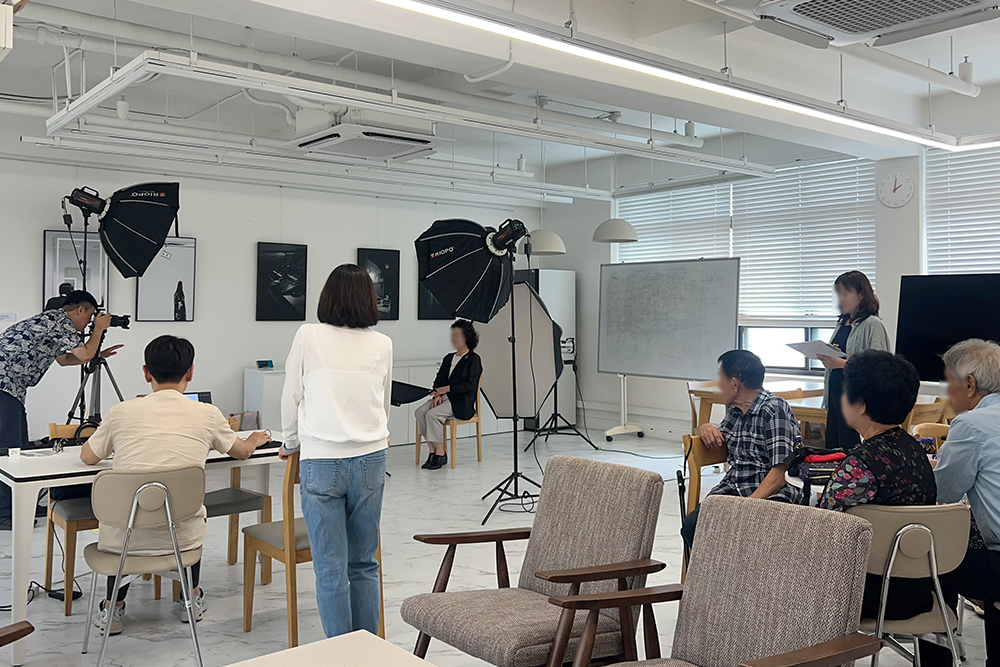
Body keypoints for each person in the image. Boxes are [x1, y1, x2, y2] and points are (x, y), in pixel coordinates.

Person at [80, 335, 270, 635]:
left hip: (121, 542)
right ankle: (190, 599)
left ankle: (113, 607)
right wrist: (254, 439)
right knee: (186, 509)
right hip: (182, 539)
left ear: (146, 373)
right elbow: (242, 452)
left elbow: (88, 457)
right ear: (190, 372)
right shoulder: (207, 414)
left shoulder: (120, 412)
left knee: (129, 518)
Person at [280, 263, 392, 638]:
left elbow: (291, 396)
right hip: (372, 456)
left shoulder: (308, 335)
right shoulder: (382, 343)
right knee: (364, 562)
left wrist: (289, 442)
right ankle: (368, 649)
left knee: (330, 568)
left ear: (327, 297)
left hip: (322, 459)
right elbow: (383, 401)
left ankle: (341, 654)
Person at [818, 350, 937, 621]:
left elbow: (824, 531)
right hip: (919, 587)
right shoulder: (914, 448)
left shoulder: (860, 464)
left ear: (860, 405)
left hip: (863, 594)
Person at [0, 291, 122, 527]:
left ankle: (20, 503)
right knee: (9, 449)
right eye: (89, 318)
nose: (88, 324)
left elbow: (65, 360)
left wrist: (97, 353)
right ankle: (5, 512)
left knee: (18, 447)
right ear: (80, 310)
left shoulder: (51, 323)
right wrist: (98, 331)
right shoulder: (60, 321)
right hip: (4, 385)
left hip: (10, 388)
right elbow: (84, 353)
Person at [920, 338, 1000, 667]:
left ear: (969, 385)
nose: (946, 392)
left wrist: (927, 469)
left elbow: (944, 492)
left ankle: (938, 660)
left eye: (948, 381)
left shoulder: (970, 425)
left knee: (933, 562)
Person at [681, 350, 801, 549]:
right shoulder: (736, 412)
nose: (719, 385)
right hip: (736, 486)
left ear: (735, 384)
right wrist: (705, 427)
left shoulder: (773, 409)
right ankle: (718, 567)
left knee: (746, 534)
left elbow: (781, 472)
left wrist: (746, 507)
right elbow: (719, 439)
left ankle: (736, 567)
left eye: (721, 379)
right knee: (693, 526)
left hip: (771, 492)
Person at [816, 271, 890, 450]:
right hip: (836, 395)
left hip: (857, 400)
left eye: (846, 293)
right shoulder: (842, 323)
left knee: (852, 449)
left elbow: (880, 364)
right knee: (834, 450)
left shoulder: (872, 324)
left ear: (861, 294)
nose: (841, 299)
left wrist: (841, 363)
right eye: (838, 294)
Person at [415, 319, 483, 470]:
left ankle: (440, 453)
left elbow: (470, 385)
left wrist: (447, 389)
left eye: (457, 335)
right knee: (420, 412)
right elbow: (438, 379)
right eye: (452, 334)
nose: (453, 338)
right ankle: (432, 450)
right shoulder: (448, 357)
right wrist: (438, 394)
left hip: (461, 401)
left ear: (466, 337)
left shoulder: (474, 359)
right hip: (443, 397)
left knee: (432, 415)